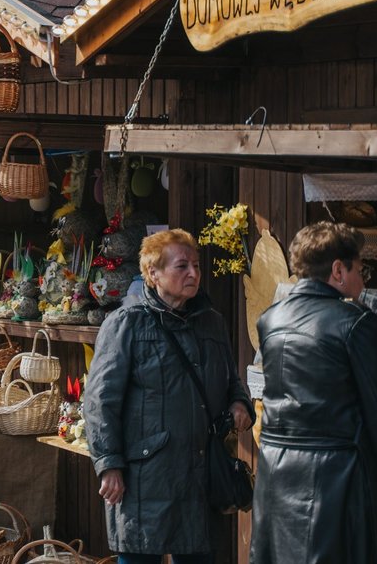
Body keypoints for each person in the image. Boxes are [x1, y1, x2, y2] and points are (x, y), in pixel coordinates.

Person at [83, 228, 254, 564]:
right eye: (181, 266)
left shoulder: (212, 322)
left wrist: (240, 403)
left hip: (201, 477)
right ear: (153, 273)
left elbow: (232, 380)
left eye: (196, 266)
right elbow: (100, 401)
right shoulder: (127, 324)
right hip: (145, 479)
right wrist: (108, 464)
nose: (193, 273)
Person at [250, 222, 377, 563]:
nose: (363, 281)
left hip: (276, 479)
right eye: (361, 270)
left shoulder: (271, 319)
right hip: (337, 487)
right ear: (338, 271)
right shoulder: (356, 323)